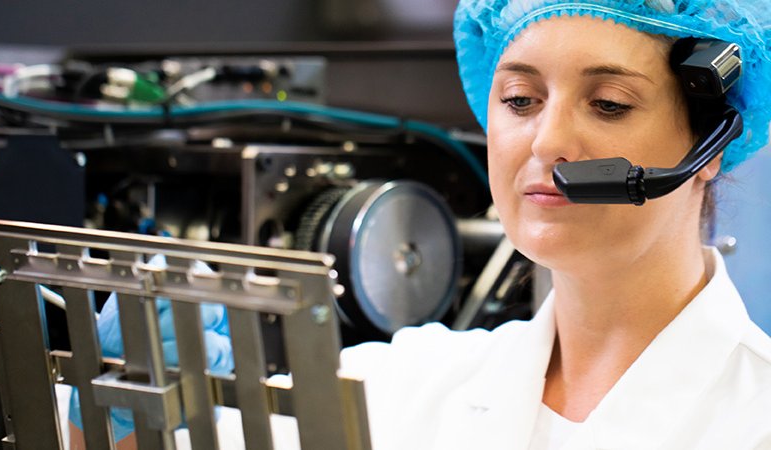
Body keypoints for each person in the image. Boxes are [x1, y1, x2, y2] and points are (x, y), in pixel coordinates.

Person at [67, 0, 771, 448]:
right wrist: (127, 400)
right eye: (520, 99)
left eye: (609, 103)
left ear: (710, 144)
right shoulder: (402, 386)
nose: (547, 140)